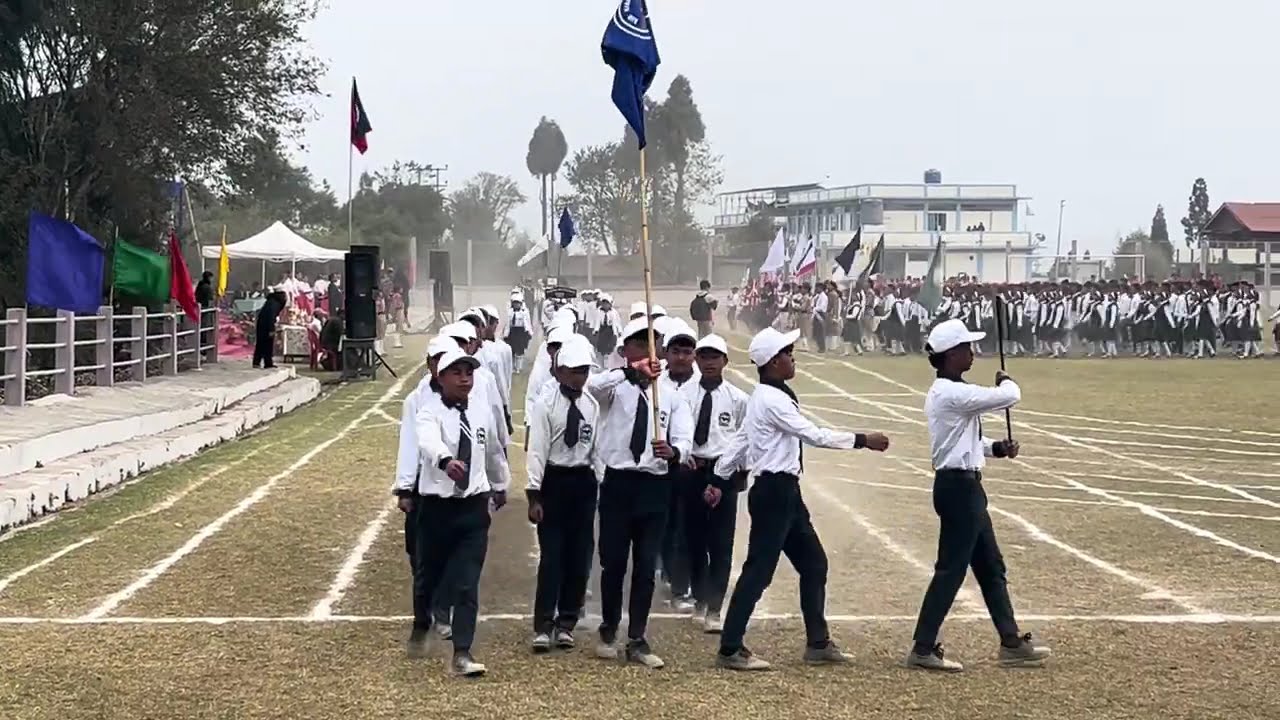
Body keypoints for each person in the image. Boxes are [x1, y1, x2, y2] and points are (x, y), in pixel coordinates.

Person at [713, 326, 890, 671]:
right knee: (759, 572)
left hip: (785, 492)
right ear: (773, 361)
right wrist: (861, 439)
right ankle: (730, 647)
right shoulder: (771, 399)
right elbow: (812, 434)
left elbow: (741, 441)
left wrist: (719, 476)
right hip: (774, 492)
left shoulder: (767, 396)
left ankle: (818, 643)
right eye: (787, 353)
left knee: (814, 564)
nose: (793, 358)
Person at [906, 318, 1050, 672]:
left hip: (966, 486)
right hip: (958, 490)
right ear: (950, 354)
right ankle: (922, 647)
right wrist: (1006, 380)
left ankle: (1011, 640)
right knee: (951, 570)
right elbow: (1009, 397)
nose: (972, 352)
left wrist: (998, 448)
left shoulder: (954, 391)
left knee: (990, 567)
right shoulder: (951, 393)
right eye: (966, 347)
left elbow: (967, 443)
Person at [394, 347, 511, 677]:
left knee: (466, 582)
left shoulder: (481, 412)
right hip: (436, 509)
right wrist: (446, 461)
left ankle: (462, 651)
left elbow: (492, 452)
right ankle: (421, 623)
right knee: (427, 576)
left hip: (472, 509)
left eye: (469, 372)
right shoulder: (427, 411)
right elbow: (428, 442)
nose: (464, 378)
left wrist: (501, 484)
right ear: (440, 377)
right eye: (457, 372)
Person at [585, 317, 694, 669]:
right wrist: (631, 372)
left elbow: (684, 437)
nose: (650, 351)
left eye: (654, 344)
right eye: (640, 344)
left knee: (646, 565)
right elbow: (591, 387)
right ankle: (608, 628)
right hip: (619, 483)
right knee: (614, 563)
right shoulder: (615, 387)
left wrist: (675, 452)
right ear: (626, 350)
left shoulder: (673, 396)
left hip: (654, 485)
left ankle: (638, 637)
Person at [526, 337, 600, 652]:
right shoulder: (546, 405)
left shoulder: (592, 406)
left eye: (583, 371)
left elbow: (595, 451)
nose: (578, 377)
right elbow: (538, 450)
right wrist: (534, 494)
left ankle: (567, 621)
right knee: (552, 557)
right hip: (554, 482)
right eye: (572, 371)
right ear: (559, 371)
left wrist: (600, 482)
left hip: (582, 482)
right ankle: (543, 624)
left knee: (579, 556)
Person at [680, 334, 749, 633]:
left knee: (721, 543)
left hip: (723, 473)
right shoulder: (683, 394)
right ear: (697, 360)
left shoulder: (738, 399)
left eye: (715, 357)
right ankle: (700, 597)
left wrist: (741, 473)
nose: (709, 363)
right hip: (692, 469)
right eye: (704, 357)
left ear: (725, 361)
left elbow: (746, 438)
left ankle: (715, 607)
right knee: (694, 540)